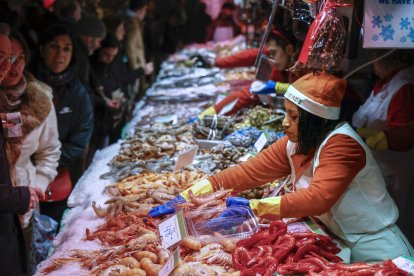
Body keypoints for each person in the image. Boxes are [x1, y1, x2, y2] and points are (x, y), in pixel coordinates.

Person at [150, 72, 414, 263]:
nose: (284, 124)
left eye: (294, 117)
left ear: (315, 120)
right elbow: (246, 173)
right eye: (285, 114)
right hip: (338, 243)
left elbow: (318, 198)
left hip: (377, 247)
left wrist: (254, 208)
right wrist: (187, 196)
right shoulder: (295, 143)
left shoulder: (341, 145)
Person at [0, 28, 60, 274]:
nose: (13, 66)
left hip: (25, 211)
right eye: (5, 57)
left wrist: (34, 187)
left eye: (19, 57)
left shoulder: (40, 100)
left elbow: (50, 151)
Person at [353, 50, 414, 245]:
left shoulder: (405, 86)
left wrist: (378, 139)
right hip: (375, 168)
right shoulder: (384, 81)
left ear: (390, 58)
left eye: (375, 58)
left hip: (393, 173)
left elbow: (404, 136)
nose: (372, 63)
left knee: (395, 228)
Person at [33, 25, 93, 222]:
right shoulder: (25, 88)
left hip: (63, 178)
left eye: (67, 48)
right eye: (54, 46)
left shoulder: (78, 93)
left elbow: (79, 141)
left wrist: (46, 165)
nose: (60, 54)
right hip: (22, 181)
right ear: (42, 50)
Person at [199, 26, 298, 118]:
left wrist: (282, 87)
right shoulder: (275, 64)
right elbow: (250, 93)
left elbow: (309, 94)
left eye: (273, 53)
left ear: (289, 49)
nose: (271, 59)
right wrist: (214, 111)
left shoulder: (303, 67)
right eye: (269, 53)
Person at [91, 33, 153, 144]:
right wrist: (104, 102)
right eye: (106, 54)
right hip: (97, 118)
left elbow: (119, 81)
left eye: (113, 56)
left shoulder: (113, 64)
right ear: (99, 49)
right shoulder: (92, 68)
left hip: (113, 115)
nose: (110, 58)